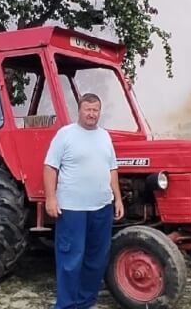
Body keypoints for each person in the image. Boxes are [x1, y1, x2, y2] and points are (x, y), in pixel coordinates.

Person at [44, 93, 124, 309]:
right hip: (72, 209)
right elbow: (50, 167)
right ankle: (66, 305)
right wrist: (51, 198)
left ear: (99, 112)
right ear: (79, 110)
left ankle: (86, 302)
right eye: (87, 109)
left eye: (95, 110)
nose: (91, 114)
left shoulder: (105, 136)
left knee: (96, 259)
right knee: (71, 259)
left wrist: (117, 198)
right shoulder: (65, 135)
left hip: (101, 207)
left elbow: (112, 169)